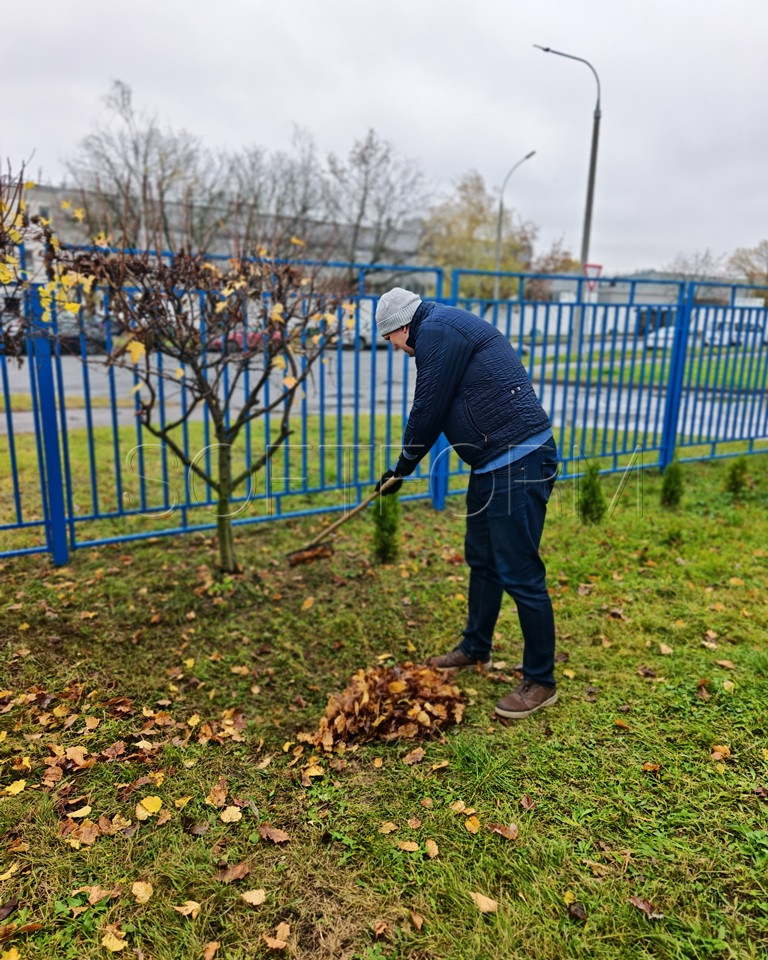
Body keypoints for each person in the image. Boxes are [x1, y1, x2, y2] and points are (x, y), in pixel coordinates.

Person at [374, 287, 559, 720]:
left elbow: (428, 407)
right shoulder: (441, 327)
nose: (395, 347)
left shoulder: (437, 331)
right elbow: (440, 406)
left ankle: (541, 681)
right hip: (492, 463)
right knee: (483, 559)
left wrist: (403, 466)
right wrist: (403, 467)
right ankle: (476, 646)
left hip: (519, 461)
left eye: (390, 339)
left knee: (521, 572)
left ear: (401, 326)